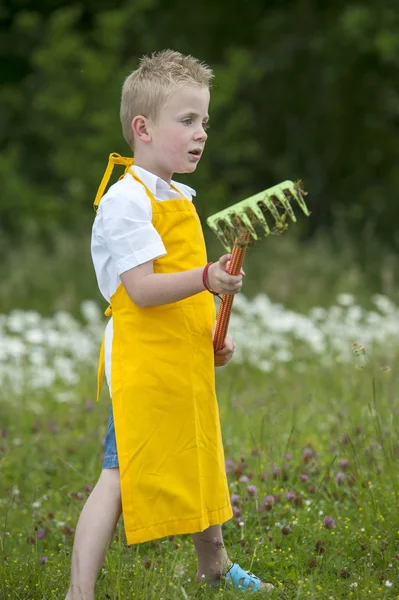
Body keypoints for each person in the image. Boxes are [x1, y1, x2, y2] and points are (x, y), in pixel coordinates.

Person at [65, 49, 273, 599]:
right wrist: (208, 276)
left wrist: (211, 335)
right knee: (119, 472)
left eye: (204, 120)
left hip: (180, 353)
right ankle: (77, 591)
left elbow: (183, 291)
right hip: (144, 361)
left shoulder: (178, 195)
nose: (201, 132)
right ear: (143, 128)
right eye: (187, 121)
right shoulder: (126, 201)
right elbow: (142, 289)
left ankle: (214, 565)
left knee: (200, 453)